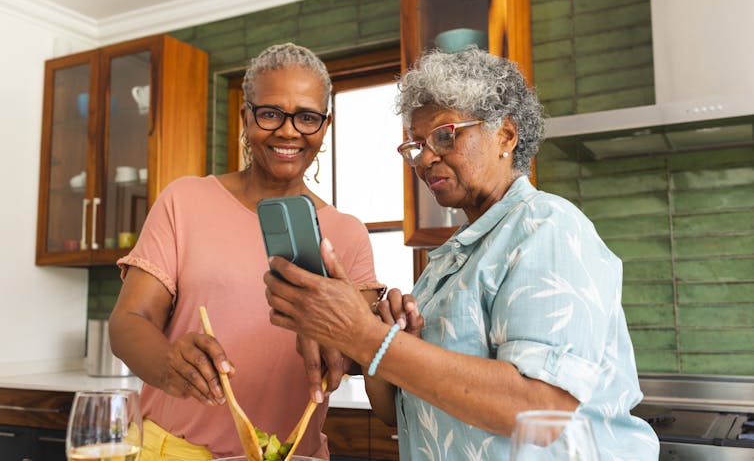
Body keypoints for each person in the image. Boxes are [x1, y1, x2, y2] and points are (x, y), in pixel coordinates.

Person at [263, 47, 660, 460]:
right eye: (416, 145)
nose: (426, 158)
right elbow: (396, 414)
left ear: (506, 135)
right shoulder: (451, 260)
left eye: (444, 135)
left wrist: (363, 335)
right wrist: (374, 334)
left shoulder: (547, 226)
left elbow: (541, 410)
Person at [109, 42, 381, 460]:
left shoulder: (348, 235)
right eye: (270, 113)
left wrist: (340, 343)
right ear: (245, 117)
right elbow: (129, 320)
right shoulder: (185, 200)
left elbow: (359, 351)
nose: (289, 131)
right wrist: (168, 363)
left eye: (307, 117)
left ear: (324, 127)